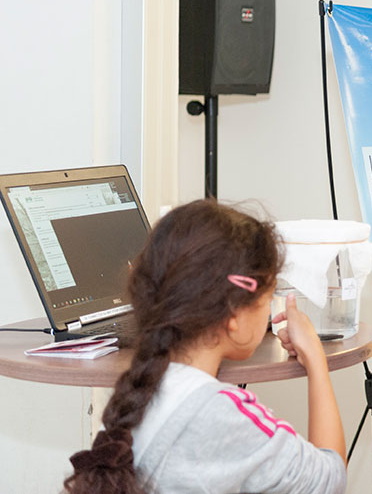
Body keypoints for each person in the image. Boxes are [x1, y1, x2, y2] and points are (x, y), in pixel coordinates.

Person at [63, 199, 347, 494]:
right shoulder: (220, 413)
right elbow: (330, 479)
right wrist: (316, 360)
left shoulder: (134, 398)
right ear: (234, 312)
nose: (268, 310)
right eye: (269, 295)